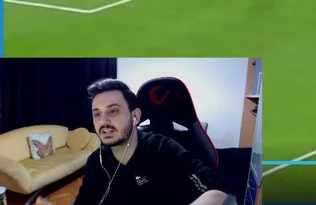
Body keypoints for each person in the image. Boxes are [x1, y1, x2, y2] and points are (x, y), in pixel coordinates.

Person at [48, 79, 233, 205]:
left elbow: (217, 191)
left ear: (135, 116)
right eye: (97, 114)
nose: (103, 121)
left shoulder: (162, 149)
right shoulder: (96, 161)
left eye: (113, 111)